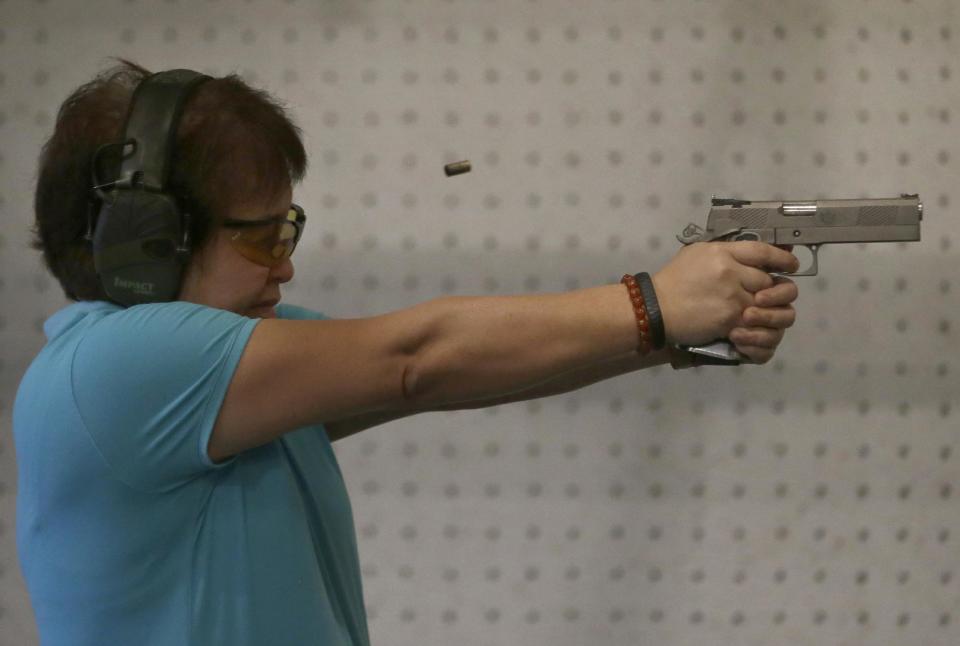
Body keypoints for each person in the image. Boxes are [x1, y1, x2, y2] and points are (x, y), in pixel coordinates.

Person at [13, 60, 799, 646]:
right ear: (148, 241)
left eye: (287, 229)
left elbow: (435, 380)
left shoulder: (218, 375)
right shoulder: (119, 367)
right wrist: (656, 304)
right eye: (261, 235)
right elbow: (417, 357)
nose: (284, 263)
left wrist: (671, 333)